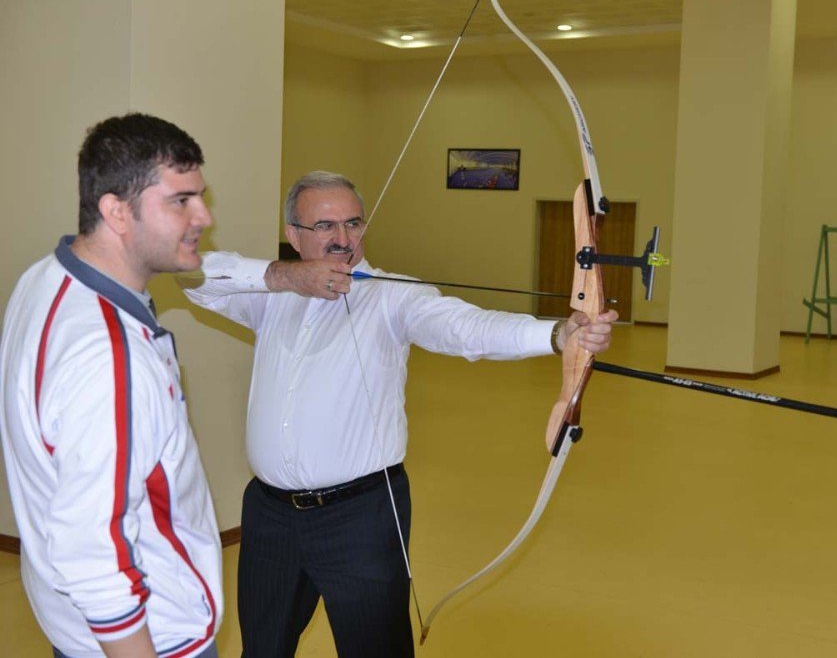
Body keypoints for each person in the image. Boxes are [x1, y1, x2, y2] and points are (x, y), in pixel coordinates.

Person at [182, 170, 617, 657]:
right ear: (293, 236)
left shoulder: (394, 296)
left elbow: (465, 329)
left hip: (361, 516)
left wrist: (558, 335)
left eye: (353, 224)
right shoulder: (272, 298)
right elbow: (192, 273)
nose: (343, 239)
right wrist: (284, 277)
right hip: (269, 515)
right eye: (324, 227)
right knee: (262, 649)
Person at [0, 113, 223, 658]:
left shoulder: (46, 279)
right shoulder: (110, 355)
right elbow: (93, 548)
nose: (204, 216)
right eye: (181, 200)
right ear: (116, 211)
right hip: (148, 640)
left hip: (77, 631)